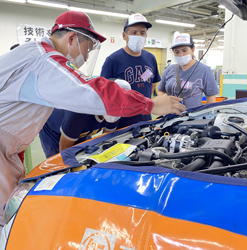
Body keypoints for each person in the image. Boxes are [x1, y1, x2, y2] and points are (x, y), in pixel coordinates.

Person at [0, 10, 185, 227]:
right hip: (7, 145)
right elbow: (90, 89)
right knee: (8, 219)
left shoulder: (33, 55)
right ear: (71, 38)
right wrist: (151, 104)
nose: (86, 57)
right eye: (87, 49)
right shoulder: (44, 60)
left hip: (10, 147)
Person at [39, 79, 131, 158]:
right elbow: (65, 147)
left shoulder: (119, 110)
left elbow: (106, 140)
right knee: (60, 166)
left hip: (80, 129)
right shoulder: (79, 114)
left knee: (84, 154)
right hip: (54, 134)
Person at [100, 13, 161, 129]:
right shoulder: (113, 60)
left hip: (145, 120)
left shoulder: (151, 58)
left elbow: (152, 84)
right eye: (134, 32)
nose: (139, 36)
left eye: (142, 33)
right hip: (120, 123)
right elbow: (104, 93)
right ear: (124, 35)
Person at [157, 33, 219, 109]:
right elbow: (160, 90)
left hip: (192, 118)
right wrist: (164, 102)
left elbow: (211, 97)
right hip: (169, 117)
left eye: (184, 50)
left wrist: (208, 115)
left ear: (193, 50)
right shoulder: (169, 70)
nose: (181, 54)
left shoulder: (204, 70)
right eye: (177, 52)